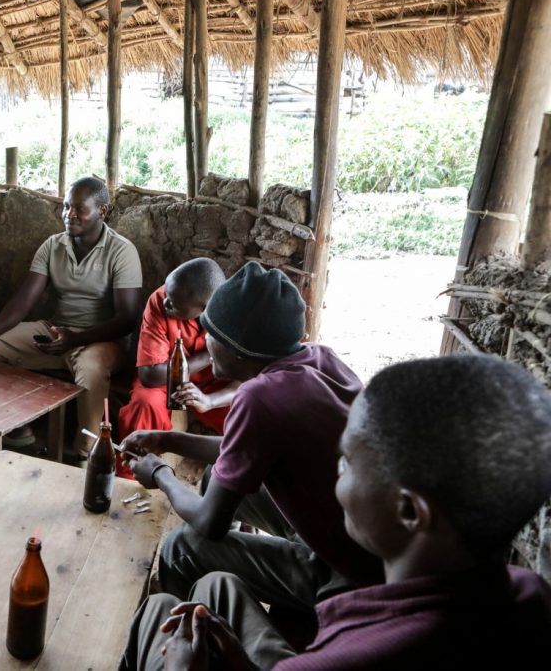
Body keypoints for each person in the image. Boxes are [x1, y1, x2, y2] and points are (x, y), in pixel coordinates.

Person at [123, 354, 551, 670]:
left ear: (408, 510)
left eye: (345, 463)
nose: (335, 476)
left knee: (157, 613)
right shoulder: (528, 593)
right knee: (214, 589)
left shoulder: (346, 656)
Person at [122, 262, 383, 644]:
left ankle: (185, 644)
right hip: (359, 536)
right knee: (216, 477)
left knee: (181, 547)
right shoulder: (318, 359)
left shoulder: (259, 398)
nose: (203, 343)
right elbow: (240, 450)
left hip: (344, 575)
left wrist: (161, 473)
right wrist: (167, 440)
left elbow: (210, 523)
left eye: (210, 333)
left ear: (238, 348)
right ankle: (219, 589)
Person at [0, 176, 142, 457]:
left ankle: (88, 452)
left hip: (102, 339)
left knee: (91, 369)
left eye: (79, 209)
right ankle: (16, 428)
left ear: (102, 211)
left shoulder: (121, 251)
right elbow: (24, 301)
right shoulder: (53, 245)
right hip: (58, 333)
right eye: (66, 207)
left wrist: (77, 339)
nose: (69, 215)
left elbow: (127, 319)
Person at [117, 258, 238, 477]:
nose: (166, 304)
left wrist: (209, 401)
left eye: (174, 304)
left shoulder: (237, 314)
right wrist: (211, 353)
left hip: (213, 385)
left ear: (204, 308)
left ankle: (234, 481)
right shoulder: (162, 298)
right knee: (146, 403)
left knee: (243, 416)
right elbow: (150, 375)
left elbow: (247, 384)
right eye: (167, 294)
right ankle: (130, 477)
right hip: (165, 380)